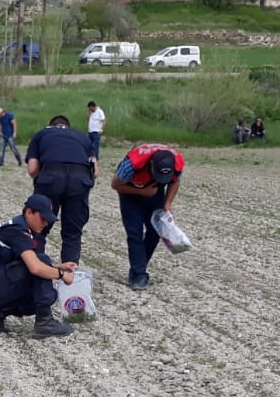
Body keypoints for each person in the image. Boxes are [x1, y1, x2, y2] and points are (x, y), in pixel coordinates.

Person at [0, 194, 78, 339]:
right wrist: (62, 275)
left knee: (38, 291)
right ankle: (44, 322)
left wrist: (58, 266)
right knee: (41, 264)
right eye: (43, 218)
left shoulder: (21, 228)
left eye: (48, 219)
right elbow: (35, 267)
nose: (46, 223)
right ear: (29, 212)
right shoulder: (17, 230)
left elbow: (30, 265)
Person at [110, 143, 185, 291]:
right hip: (130, 193)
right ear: (151, 164)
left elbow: (175, 182)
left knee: (155, 231)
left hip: (155, 191)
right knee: (134, 234)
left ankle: (138, 267)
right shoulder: (131, 165)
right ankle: (139, 275)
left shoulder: (177, 163)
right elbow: (115, 185)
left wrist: (167, 204)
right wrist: (142, 192)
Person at [23, 114, 96, 265]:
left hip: (50, 178)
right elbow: (95, 171)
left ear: (51, 125)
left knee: (39, 228)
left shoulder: (41, 134)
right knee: (72, 232)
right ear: (67, 126)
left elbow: (32, 169)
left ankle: (36, 269)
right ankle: (70, 276)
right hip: (80, 180)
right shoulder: (82, 137)